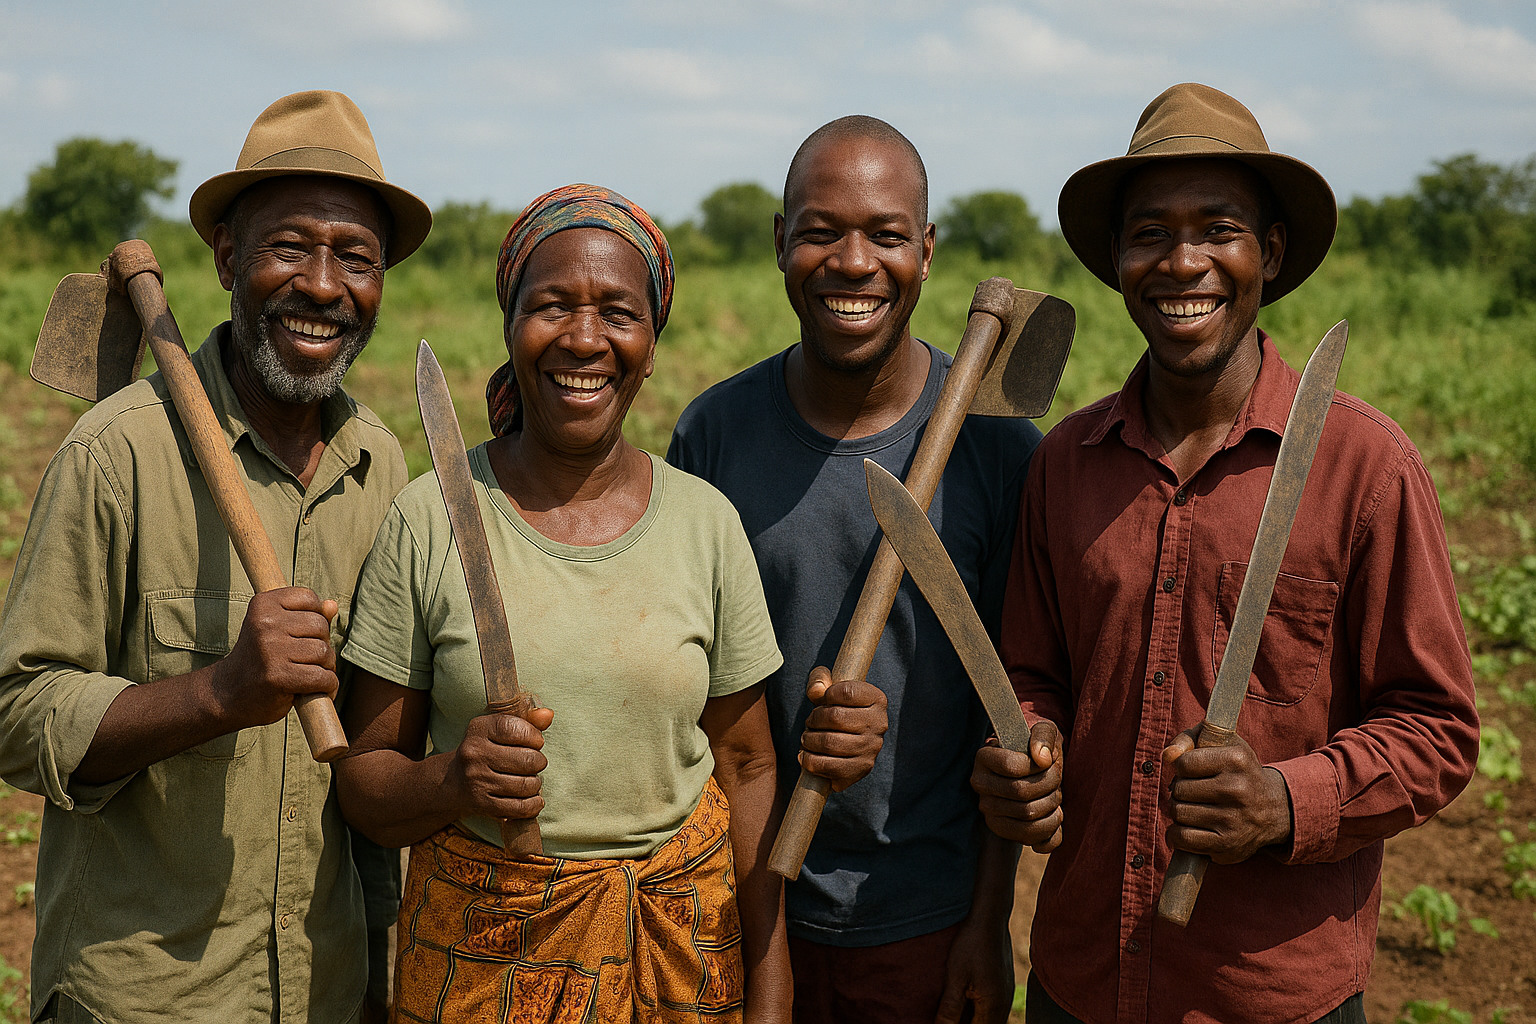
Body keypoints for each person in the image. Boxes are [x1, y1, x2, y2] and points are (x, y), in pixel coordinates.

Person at [971, 83, 1481, 1024]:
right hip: (1080, 984)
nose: (1183, 262)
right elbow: (1035, 671)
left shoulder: (1362, 466)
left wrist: (1286, 802)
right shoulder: (1064, 466)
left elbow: (1437, 729)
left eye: (1219, 228)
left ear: (1270, 253)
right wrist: (1030, 744)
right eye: (1151, 233)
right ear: (1118, 260)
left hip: (1270, 996)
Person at [0, 90, 430, 1023]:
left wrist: (377, 979)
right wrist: (220, 693)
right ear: (230, 258)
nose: (324, 285)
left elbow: (374, 749)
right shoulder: (117, 454)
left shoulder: (383, 468)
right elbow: (16, 709)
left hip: (325, 987)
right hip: (142, 997)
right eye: (289, 247)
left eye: (356, 257)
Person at [334, 184, 791, 1024]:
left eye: (618, 312)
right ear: (511, 330)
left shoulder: (705, 523)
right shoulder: (432, 516)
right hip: (483, 962)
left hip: (683, 958)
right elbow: (364, 783)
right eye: (551, 307)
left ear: (651, 344)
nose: (584, 339)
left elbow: (750, 766)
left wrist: (770, 978)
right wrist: (450, 780)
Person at [668, 116, 1042, 1023]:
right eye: (821, 230)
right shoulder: (713, 435)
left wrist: (989, 921)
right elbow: (687, 687)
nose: (853, 262)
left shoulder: (997, 449)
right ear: (779, 242)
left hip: (928, 918)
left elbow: (1015, 704)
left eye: (885, 234)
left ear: (927, 248)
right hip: (744, 903)